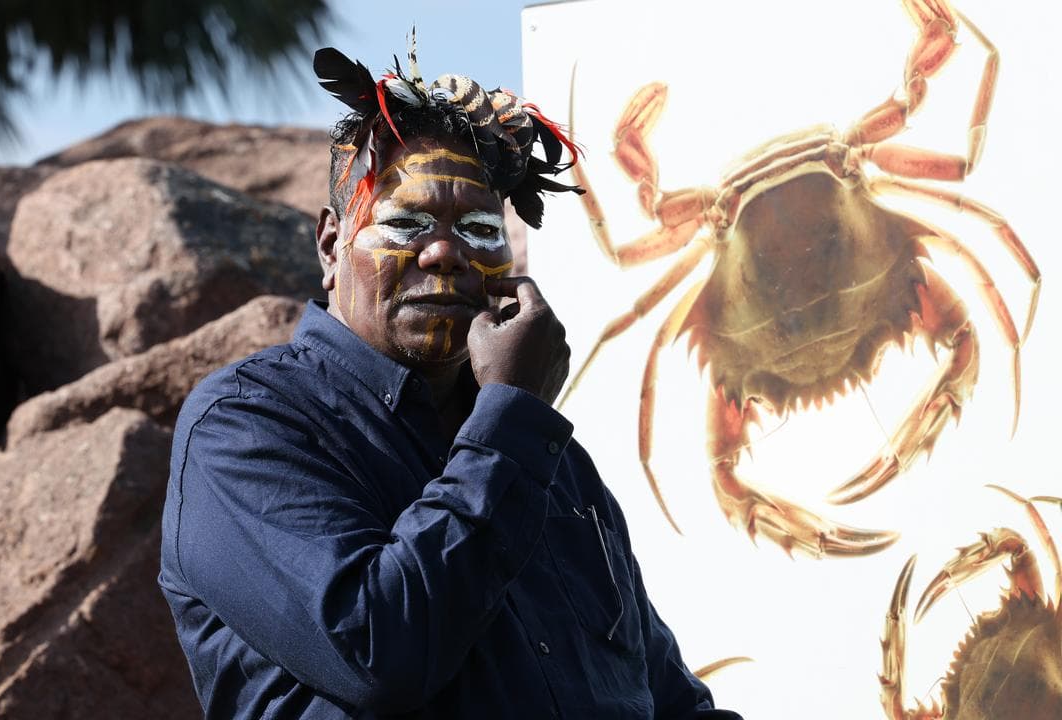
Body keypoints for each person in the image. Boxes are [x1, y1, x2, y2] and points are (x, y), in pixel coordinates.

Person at [159, 42, 743, 719]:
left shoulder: (555, 465)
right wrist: (514, 418)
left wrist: (514, 425)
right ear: (329, 246)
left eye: (478, 227)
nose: (446, 252)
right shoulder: (247, 425)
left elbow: (665, 696)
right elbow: (378, 653)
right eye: (405, 222)